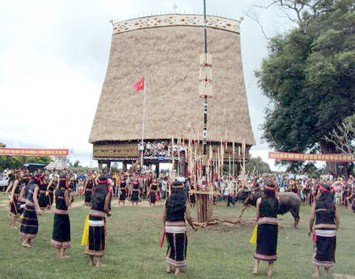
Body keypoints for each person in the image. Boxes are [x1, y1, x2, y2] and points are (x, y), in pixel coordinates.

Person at [163, 181, 197, 276]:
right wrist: (193, 227)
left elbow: (164, 215)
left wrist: (164, 227)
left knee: (171, 246)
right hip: (179, 228)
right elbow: (188, 217)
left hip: (169, 226)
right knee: (180, 247)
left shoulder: (167, 200)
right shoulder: (185, 200)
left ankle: (168, 267)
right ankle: (178, 269)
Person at [308, 183, 340, 277]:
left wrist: (310, 228)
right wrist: (335, 228)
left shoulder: (316, 203)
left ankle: (317, 272)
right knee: (329, 250)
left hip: (319, 230)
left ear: (320, 192)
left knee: (317, 249)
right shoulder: (332, 204)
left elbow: (311, 218)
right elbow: (337, 219)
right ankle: (326, 272)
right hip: (331, 231)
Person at [252, 180, 279, 277]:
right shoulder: (277, 200)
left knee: (259, 245)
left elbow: (257, 216)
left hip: (262, 224)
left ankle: (256, 268)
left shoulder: (259, 200)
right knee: (272, 247)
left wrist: (257, 221)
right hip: (273, 226)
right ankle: (270, 270)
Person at [85, 175, 112, 267]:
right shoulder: (107, 191)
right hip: (100, 217)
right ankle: (99, 262)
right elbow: (105, 207)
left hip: (91, 215)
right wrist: (108, 214)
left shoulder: (95, 189)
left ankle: (91, 261)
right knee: (99, 238)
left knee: (91, 237)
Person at [50, 175, 75, 258]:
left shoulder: (56, 191)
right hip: (64, 214)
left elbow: (56, 202)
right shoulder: (66, 191)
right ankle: (62, 254)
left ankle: (58, 253)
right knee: (65, 232)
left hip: (57, 214)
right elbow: (68, 204)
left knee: (57, 232)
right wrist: (71, 197)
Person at [19, 174, 43, 248]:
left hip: (27, 207)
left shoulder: (29, 185)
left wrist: (27, 201)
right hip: (31, 208)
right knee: (33, 225)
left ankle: (28, 242)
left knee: (28, 224)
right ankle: (25, 242)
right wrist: (38, 208)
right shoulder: (36, 186)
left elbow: (21, 198)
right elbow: (34, 197)